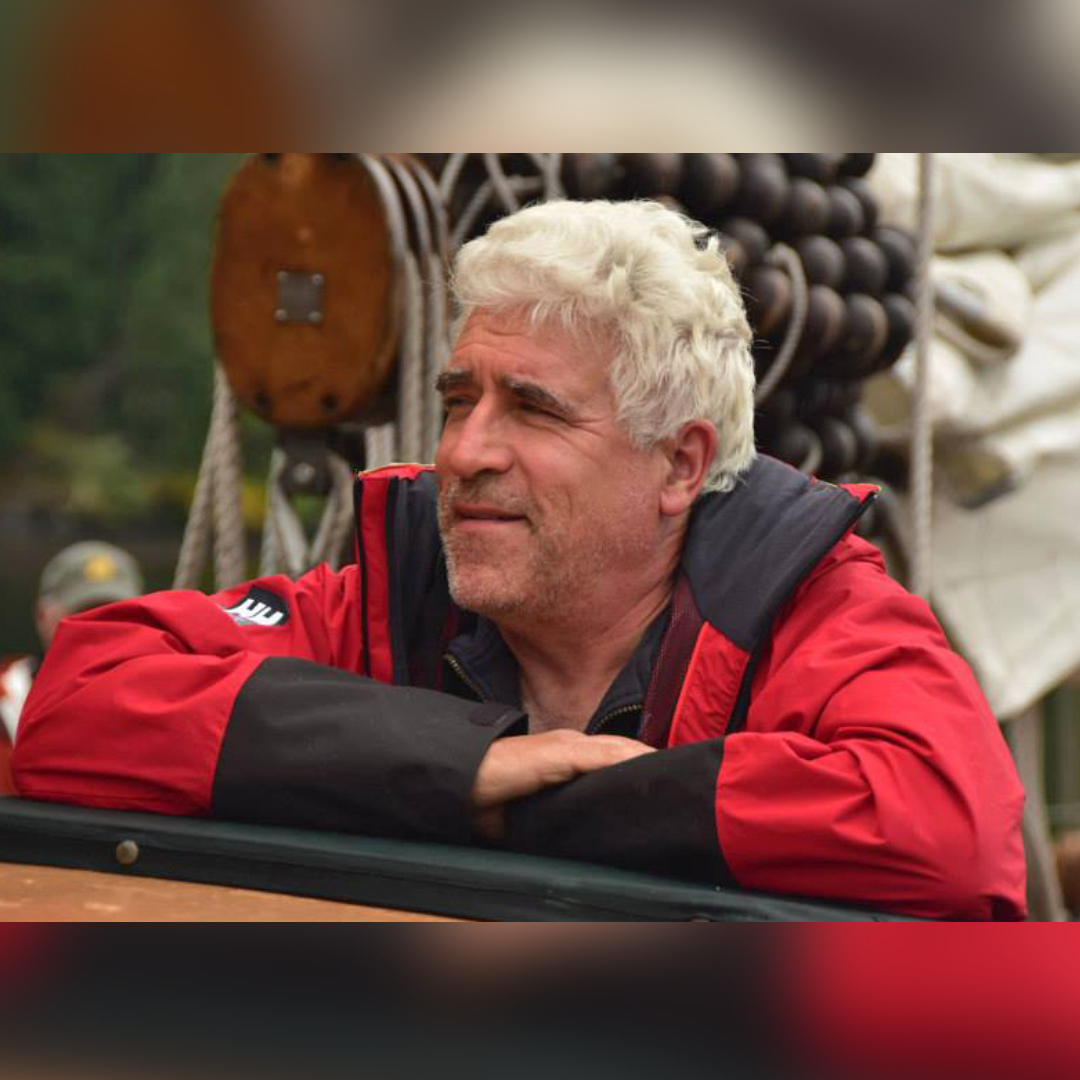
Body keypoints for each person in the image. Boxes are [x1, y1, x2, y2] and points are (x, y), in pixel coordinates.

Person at [12, 201, 1026, 919]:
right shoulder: (385, 603)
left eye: (532, 409)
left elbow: (946, 829)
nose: (461, 453)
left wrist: (548, 808)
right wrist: (469, 765)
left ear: (680, 463)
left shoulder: (817, 616)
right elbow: (74, 700)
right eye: (460, 401)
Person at [1, 542, 144, 795]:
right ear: (42, 615)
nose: (100, 626)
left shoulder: (163, 700)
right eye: (84, 613)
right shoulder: (6, 696)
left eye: (116, 613)